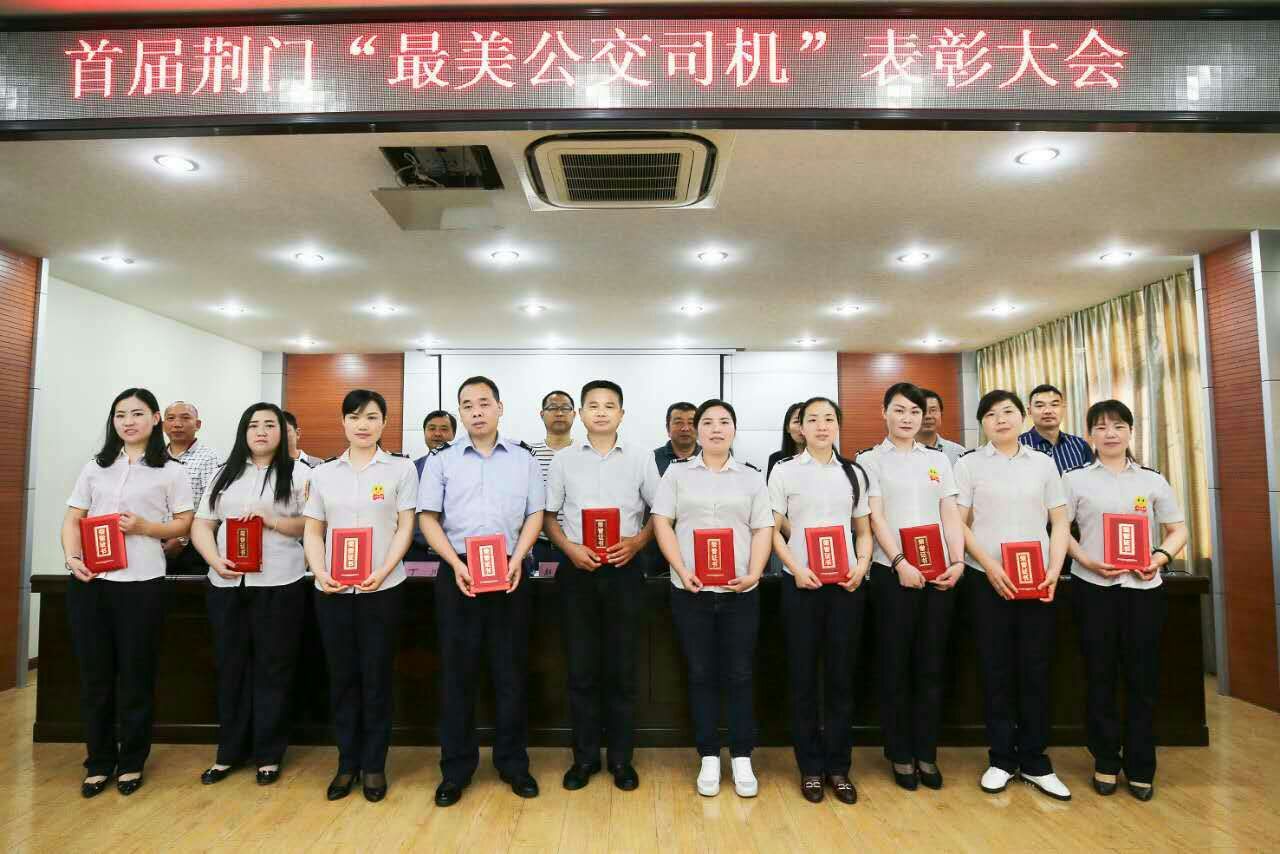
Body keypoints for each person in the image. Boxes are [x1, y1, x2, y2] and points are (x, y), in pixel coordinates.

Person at [419, 376, 546, 808]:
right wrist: (455, 564)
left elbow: (535, 513)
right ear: (460, 411)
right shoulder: (442, 460)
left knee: (511, 672)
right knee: (458, 675)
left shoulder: (523, 459)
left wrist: (518, 559)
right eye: (467, 404)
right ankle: (455, 770)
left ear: (500, 408)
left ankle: (514, 764)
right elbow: (428, 517)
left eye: (484, 403)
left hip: (510, 572)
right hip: (458, 572)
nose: (476, 411)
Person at [61, 388, 194, 798]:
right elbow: (73, 518)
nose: (128, 422)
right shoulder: (96, 467)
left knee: (136, 676)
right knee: (95, 677)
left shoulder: (170, 471)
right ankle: (99, 762)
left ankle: (132, 761)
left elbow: (184, 523)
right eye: (120, 415)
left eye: (137, 414)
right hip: (92, 583)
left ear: (155, 419)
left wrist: (145, 528)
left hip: (142, 584)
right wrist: (72, 557)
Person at [1063, 399, 1188, 802]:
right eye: (1100, 427)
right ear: (1089, 436)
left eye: (1118, 426)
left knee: (1142, 678)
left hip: (1143, 592)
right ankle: (1105, 759)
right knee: (1099, 676)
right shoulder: (1074, 480)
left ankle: (1141, 765)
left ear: (1130, 432)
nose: (1110, 433)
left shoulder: (1152, 480)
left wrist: (1159, 558)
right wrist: (1085, 560)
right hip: (1092, 589)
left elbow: (1177, 529)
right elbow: (1058, 530)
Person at [652, 399, 773, 799]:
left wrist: (754, 573)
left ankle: (741, 755)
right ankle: (707, 754)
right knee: (701, 674)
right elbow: (662, 522)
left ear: (734, 430)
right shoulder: (676, 474)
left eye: (724, 422)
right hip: (691, 591)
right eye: (708, 422)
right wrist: (680, 568)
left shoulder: (752, 478)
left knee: (740, 674)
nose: (716, 429)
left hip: (741, 592)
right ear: (697, 430)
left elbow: (762, 528)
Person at [955, 389, 1071, 801]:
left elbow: (1060, 522)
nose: (1000, 419)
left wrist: (1054, 570)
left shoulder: (1043, 463)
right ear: (982, 423)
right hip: (987, 580)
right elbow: (959, 523)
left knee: (1036, 668)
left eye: (1008, 412)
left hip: (1037, 581)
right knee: (996, 669)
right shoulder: (968, 464)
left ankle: (1037, 761)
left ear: (1022, 418)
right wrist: (989, 565)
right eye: (990, 414)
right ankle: (1001, 759)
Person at [544, 380, 661, 792]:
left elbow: (660, 512)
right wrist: (570, 549)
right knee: (581, 670)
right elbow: (549, 517)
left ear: (621, 414)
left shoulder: (642, 458)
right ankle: (585, 759)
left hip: (624, 571)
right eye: (592, 405)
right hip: (577, 572)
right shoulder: (563, 460)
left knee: (622, 670)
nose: (600, 411)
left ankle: (622, 760)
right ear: (580, 413)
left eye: (609, 405)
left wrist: (637, 543)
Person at [302, 389, 417, 803]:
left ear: (384, 422)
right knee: (342, 678)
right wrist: (320, 572)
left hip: (382, 589)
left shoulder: (401, 469)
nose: (362, 424)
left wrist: (383, 570)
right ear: (343, 422)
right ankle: (346, 762)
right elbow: (313, 530)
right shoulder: (323, 474)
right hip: (332, 590)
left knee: (376, 678)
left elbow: (405, 527)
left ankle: (373, 764)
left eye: (371, 417)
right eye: (354, 417)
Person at [190, 403, 310, 788]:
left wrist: (271, 519)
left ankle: (268, 754)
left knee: (274, 669)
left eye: (269, 425)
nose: (261, 431)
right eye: (253, 425)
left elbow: (312, 527)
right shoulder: (223, 474)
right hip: (227, 584)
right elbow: (202, 525)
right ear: (243, 432)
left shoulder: (301, 474)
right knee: (231, 667)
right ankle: (229, 752)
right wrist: (214, 559)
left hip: (279, 583)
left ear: (283, 432)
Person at [857, 382, 966, 792]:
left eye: (915, 412)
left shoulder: (937, 460)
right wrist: (900, 561)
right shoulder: (870, 460)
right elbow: (875, 517)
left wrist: (958, 562)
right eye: (899, 410)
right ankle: (900, 752)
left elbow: (949, 512)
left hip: (940, 573)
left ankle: (926, 751)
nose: (907, 419)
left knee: (931, 665)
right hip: (893, 573)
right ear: (884, 412)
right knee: (896, 665)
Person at [769, 396, 872, 805]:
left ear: (838, 425)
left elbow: (863, 530)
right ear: (801, 427)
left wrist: (862, 565)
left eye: (829, 418)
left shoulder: (854, 472)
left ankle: (839, 767)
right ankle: (810, 767)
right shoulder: (784, 471)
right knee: (803, 679)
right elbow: (773, 529)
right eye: (812, 419)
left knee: (842, 679)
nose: (821, 426)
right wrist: (796, 567)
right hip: (801, 586)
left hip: (846, 586)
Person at [162, 400, 223, 574]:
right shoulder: (152, 459)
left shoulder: (210, 458)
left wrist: (182, 538)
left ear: (198, 424)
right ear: (163, 425)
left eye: (185, 418)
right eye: (171, 418)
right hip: (155, 540)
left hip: (194, 544)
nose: (177, 424)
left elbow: (212, 506)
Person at [528, 391, 576, 573]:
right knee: (543, 590)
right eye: (553, 408)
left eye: (565, 408)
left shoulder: (584, 452)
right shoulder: (528, 454)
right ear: (542, 414)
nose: (559, 413)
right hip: (540, 545)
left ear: (574, 414)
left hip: (578, 545)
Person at [407, 410, 458, 560]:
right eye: (432, 428)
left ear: (454, 434)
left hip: (455, 550)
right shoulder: (411, 469)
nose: (437, 433)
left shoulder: (465, 467)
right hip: (418, 550)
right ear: (424, 432)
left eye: (444, 429)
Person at [1019, 384, 1092, 475]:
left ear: (1063, 409)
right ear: (1029, 411)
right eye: (1040, 406)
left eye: (1054, 405)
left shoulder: (1080, 445)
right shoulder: (1018, 445)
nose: (1048, 411)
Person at [917, 388, 967, 466]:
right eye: (922, 411)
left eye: (933, 410)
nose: (927, 416)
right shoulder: (900, 452)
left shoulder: (958, 453)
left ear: (941, 415)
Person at [653, 401, 699, 476]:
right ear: (668, 428)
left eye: (691, 423)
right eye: (678, 422)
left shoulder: (711, 458)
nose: (685, 428)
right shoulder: (652, 460)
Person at [766, 401, 806, 479]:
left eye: (806, 421)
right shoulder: (776, 459)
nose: (801, 427)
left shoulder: (824, 458)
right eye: (796, 421)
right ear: (788, 428)